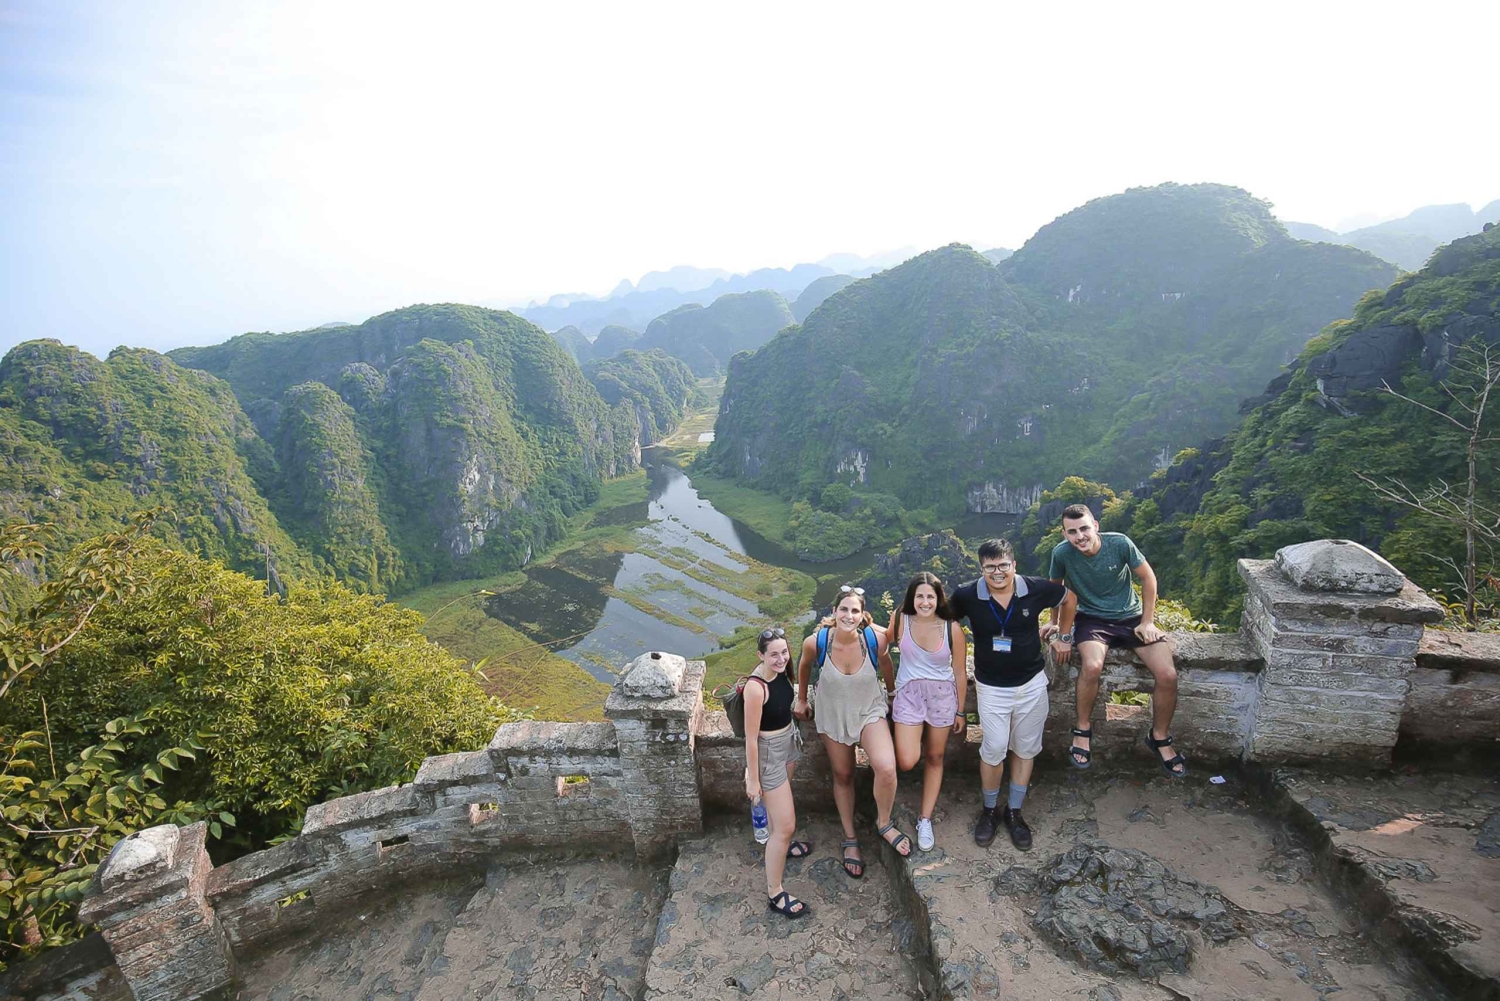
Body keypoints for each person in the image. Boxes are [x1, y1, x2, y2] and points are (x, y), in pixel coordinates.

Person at [1047, 504, 1188, 778]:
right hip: (1091, 620)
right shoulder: (1061, 554)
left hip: (1131, 617)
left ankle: (1159, 736)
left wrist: (1147, 621)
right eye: (1072, 532)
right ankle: (1082, 729)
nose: (1080, 536)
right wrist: (1055, 624)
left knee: (1168, 674)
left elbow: (1148, 578)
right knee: (1091, 666)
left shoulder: (1120, 543)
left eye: (1084, 528)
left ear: (1096, 525)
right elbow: (1055, 589)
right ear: (1065, 534)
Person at [950, 539, 1068, 851]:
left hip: (1031, 683)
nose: (998, 572)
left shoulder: (1034, 588)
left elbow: (1068, 598)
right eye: (990, 567)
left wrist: (1062, 633)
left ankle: (1014, 812)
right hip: (991, 687)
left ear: (1014, 565)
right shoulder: (967, 595)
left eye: (1004, 565)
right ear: (981, 568)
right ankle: (990, 811)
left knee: (1026, 749)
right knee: (994, 749)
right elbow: (943, 620)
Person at [794, 585, 911, 876]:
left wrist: (894, 693)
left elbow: (886, 663)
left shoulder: (873, 639)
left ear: (863, 615)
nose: (848, 615)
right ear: (833, 612)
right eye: (843, 609)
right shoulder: (816, 642)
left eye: (854, 610)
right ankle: (850, 837)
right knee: (843, 775)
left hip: (869, 711)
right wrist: (802, 698)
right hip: (832, 714)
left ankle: (883, 822)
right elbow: (805, 665)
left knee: (886, 767)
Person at [888, 572, 968, 852]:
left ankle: (925, 819)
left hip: (941, 696)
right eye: (919, 596)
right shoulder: (901, 618)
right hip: (909, 693)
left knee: (935, 756)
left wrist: (961, 711)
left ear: (938, 598)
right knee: (907, 760)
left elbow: (959, 670)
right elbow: (884, 640)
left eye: (930, 596)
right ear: (912, 598)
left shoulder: (951, 629)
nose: (924, 602)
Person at [743, 626, 813, 918]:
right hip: (769, 753)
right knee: (785, 826)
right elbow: (750, 738)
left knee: (778, 821)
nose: (781, 658)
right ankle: (775, 892)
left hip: (788, 742)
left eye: (784, 652)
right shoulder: (756, 688)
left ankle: (780, 843)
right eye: (773, 654)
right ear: (761, 655)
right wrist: (754, 780)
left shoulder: (782, 674)